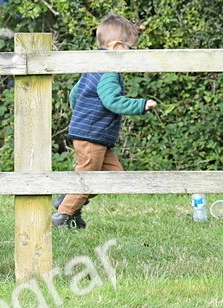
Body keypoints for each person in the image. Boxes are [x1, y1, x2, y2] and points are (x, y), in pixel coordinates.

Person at [53, 14, 158, 228]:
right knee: (89, 177)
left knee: (114, 177)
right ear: (118, 47)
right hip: (92, 136)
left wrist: (81, 115)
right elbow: (112, 101)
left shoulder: (92, 66)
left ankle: (69, 199)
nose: (132, 54)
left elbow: (75, 94)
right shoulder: (109, 71)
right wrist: (140, 105)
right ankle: (62, 216)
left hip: (93, 134)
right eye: (131, 48)